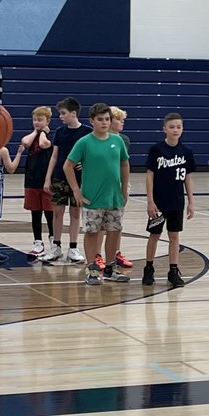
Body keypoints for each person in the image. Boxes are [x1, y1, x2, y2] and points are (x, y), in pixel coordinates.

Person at [64, 102, 130, 285]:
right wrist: (76, 190)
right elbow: (67, 166)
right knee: (92, 233)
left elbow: (124, 164)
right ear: (92, 121)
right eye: (100, 119)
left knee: (114, 232)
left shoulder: (117, 141)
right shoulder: (84, 142)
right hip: (92, 198)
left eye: (107, 119)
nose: (104, 123)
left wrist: (124, 189)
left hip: (114, 196)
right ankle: (92, 270)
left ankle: (110, 268)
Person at [143, 112, 196, 290]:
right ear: (164, 128)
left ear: (182, 129)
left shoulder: (186, 152)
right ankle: (149, 268)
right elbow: (149, 175)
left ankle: (173, 271)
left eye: (178, 127)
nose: (175, 130)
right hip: (158, 203)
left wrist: (191, 201)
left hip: (176, 201)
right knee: (155, 235)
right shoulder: (156, 150)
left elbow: (188, 178)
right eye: (172, 127)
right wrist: (150, 201)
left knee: (174, 236)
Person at [41, 98, 89, 264]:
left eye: (63, 113)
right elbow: (54, 156)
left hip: (79, 179)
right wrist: (48, 178)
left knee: (75, 213)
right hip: (59, 177)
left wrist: (87, 163)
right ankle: (56, 247)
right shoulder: (60, 132)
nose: (60, 117)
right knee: (57, 213)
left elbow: (91, 154)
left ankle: (74, 248)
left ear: (73, 113)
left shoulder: (87, 132)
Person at [21, 106, 54, 258]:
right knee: (35, 213)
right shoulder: (32, 135)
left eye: (40, 120)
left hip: (46, 181)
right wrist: (36, 131)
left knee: (49, 213)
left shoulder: (51, 136)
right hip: (32, 180)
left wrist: (43, 132)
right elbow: (25, 142)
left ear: (48, 121)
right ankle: (38, 243)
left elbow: (42, 144)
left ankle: (54, 242)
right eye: (35, 120)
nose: (36, 122)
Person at [109, 107, 133, 270]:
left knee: (118, 222)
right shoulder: (99, 139)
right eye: (119, 119)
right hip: (103, 185)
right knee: (102, 224)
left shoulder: (123, 140)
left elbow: (124, 164)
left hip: (120, 184)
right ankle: (98, 255)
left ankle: (116, 252)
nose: (122, 122)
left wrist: (125, 187)